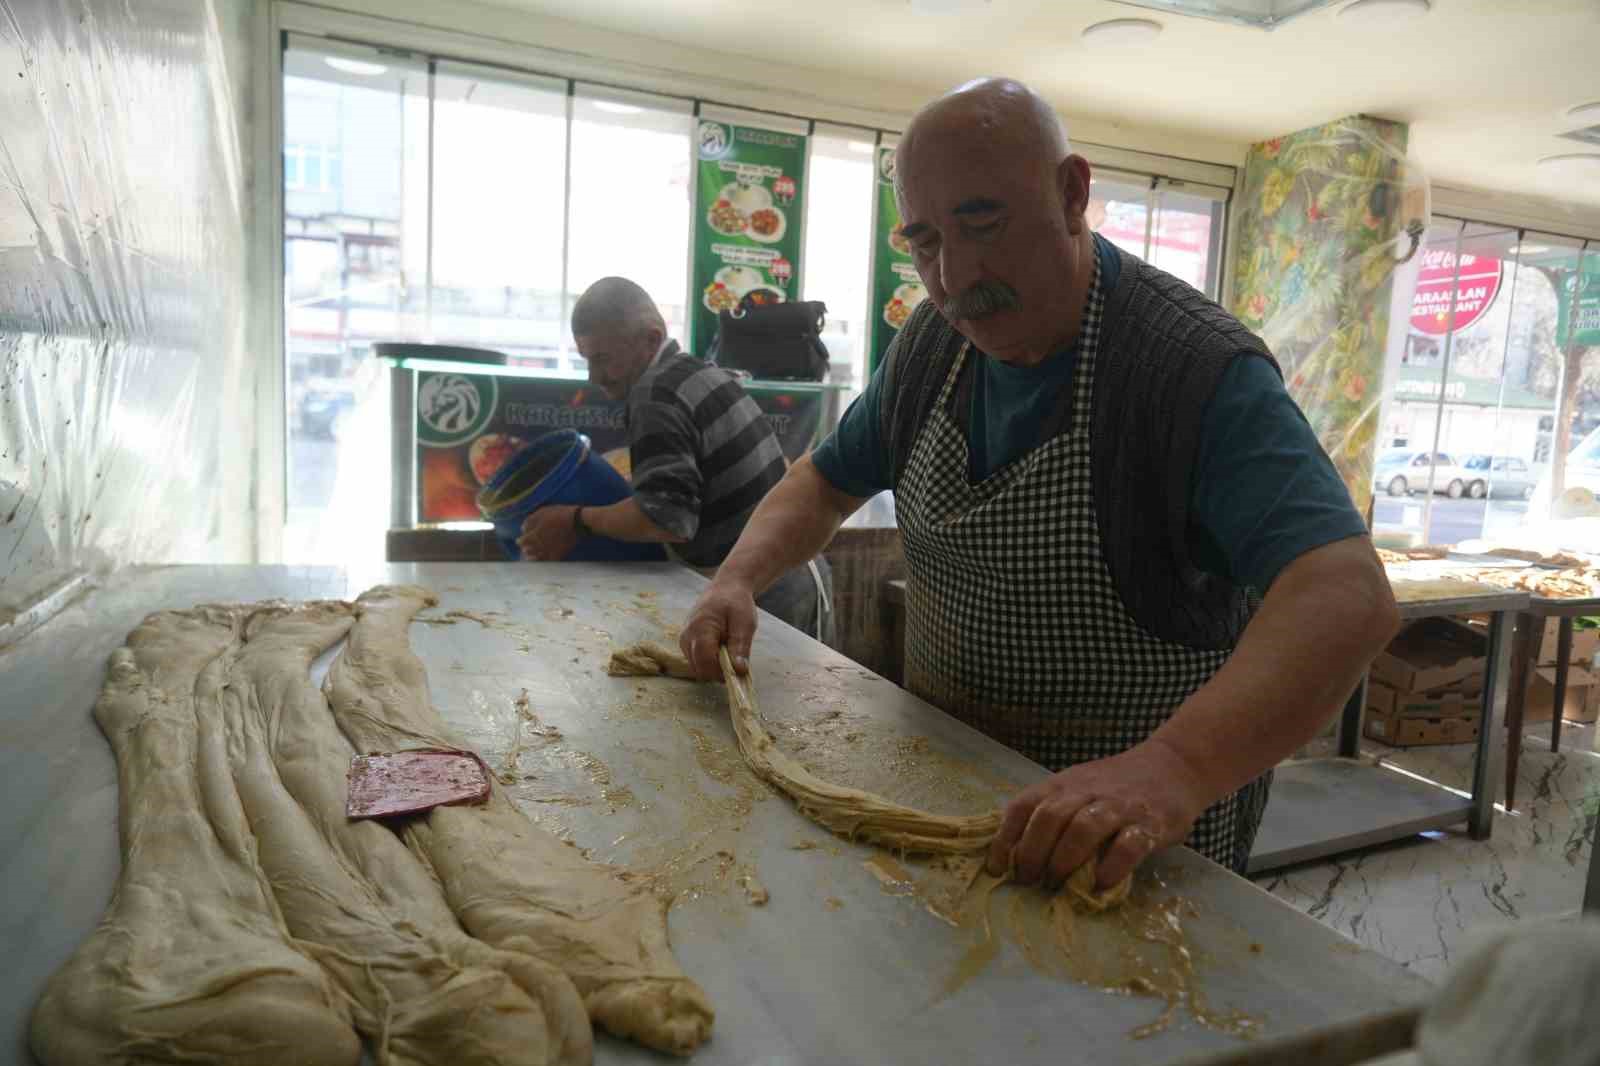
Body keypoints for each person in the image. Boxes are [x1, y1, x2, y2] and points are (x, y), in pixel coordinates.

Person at [680, 79, 1398, 890]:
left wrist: (1174, 768)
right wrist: (736, 580)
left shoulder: (1191, 371)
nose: (954, 277)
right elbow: (822, 482)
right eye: (922, 242)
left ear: (1072, 194)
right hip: (944, 797)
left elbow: (1345, 594)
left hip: (1126, 849)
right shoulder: (927, 346)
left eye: (983, 223)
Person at [518, 277, 830, 638]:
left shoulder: (655, 395)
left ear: (651, 339)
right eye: (587, 360)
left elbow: (666, 520)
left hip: (765, 590)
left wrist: (574, 520)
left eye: (603, 358)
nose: (594, 377)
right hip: (794, 573)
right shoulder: (696, 370)